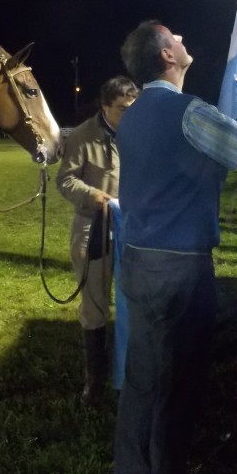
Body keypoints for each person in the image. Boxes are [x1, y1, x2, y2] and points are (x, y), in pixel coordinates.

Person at [111, 20, 237, 474]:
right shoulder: (188, 113)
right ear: (167, 56)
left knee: (143, 381)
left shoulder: (131, 115)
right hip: (178, 267)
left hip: (137, 260)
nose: (183, 38)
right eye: (175, 36)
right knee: (176, 389)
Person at [56, 75, 139, 406]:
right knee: (94, 307)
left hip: (135, 229)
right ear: (105, 107)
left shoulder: (140, 132)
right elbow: (66, 181)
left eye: (134, 108)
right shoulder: (82, 135)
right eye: (122, 109)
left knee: (135, 305)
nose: (129, 115)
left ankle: (132, 377)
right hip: (94, 230)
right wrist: (96, 197)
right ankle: (95, 382)